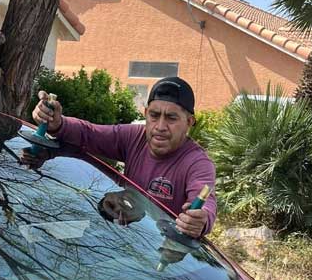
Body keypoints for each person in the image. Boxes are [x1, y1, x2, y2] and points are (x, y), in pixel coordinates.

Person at [31, 76, 216, 238]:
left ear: (189, 122)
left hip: (163, 255)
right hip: (123, 238)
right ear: (145, 114)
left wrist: (201, 220)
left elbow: (206, 203)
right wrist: (57, 123)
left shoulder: (197, 163)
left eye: (171, 118)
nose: (160, 126)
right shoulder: (134, 137)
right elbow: (89, 134)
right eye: (154, 115)